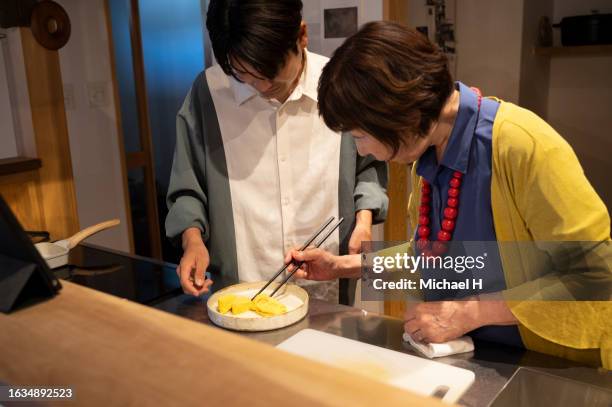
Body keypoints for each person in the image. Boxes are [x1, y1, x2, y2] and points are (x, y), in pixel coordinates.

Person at [285, 21, 612, 367]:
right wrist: (341, 266)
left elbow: (594, 275)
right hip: (474, 357)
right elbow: (430, 255)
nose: (362, 150)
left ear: (403, 116)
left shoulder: (522, 146)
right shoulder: (428, 153)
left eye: (360, 135)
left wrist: (471, 312)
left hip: (547, 365)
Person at [165, 0, 388, 304]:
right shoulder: (209, 93)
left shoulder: (339, 84)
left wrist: (362, 226)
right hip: (242, 293)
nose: (262, 85)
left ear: (302, 36)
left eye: (272, 70)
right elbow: (187, 186)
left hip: (328, 290)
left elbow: (369, 167)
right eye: (245, 74)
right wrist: (192, 241)